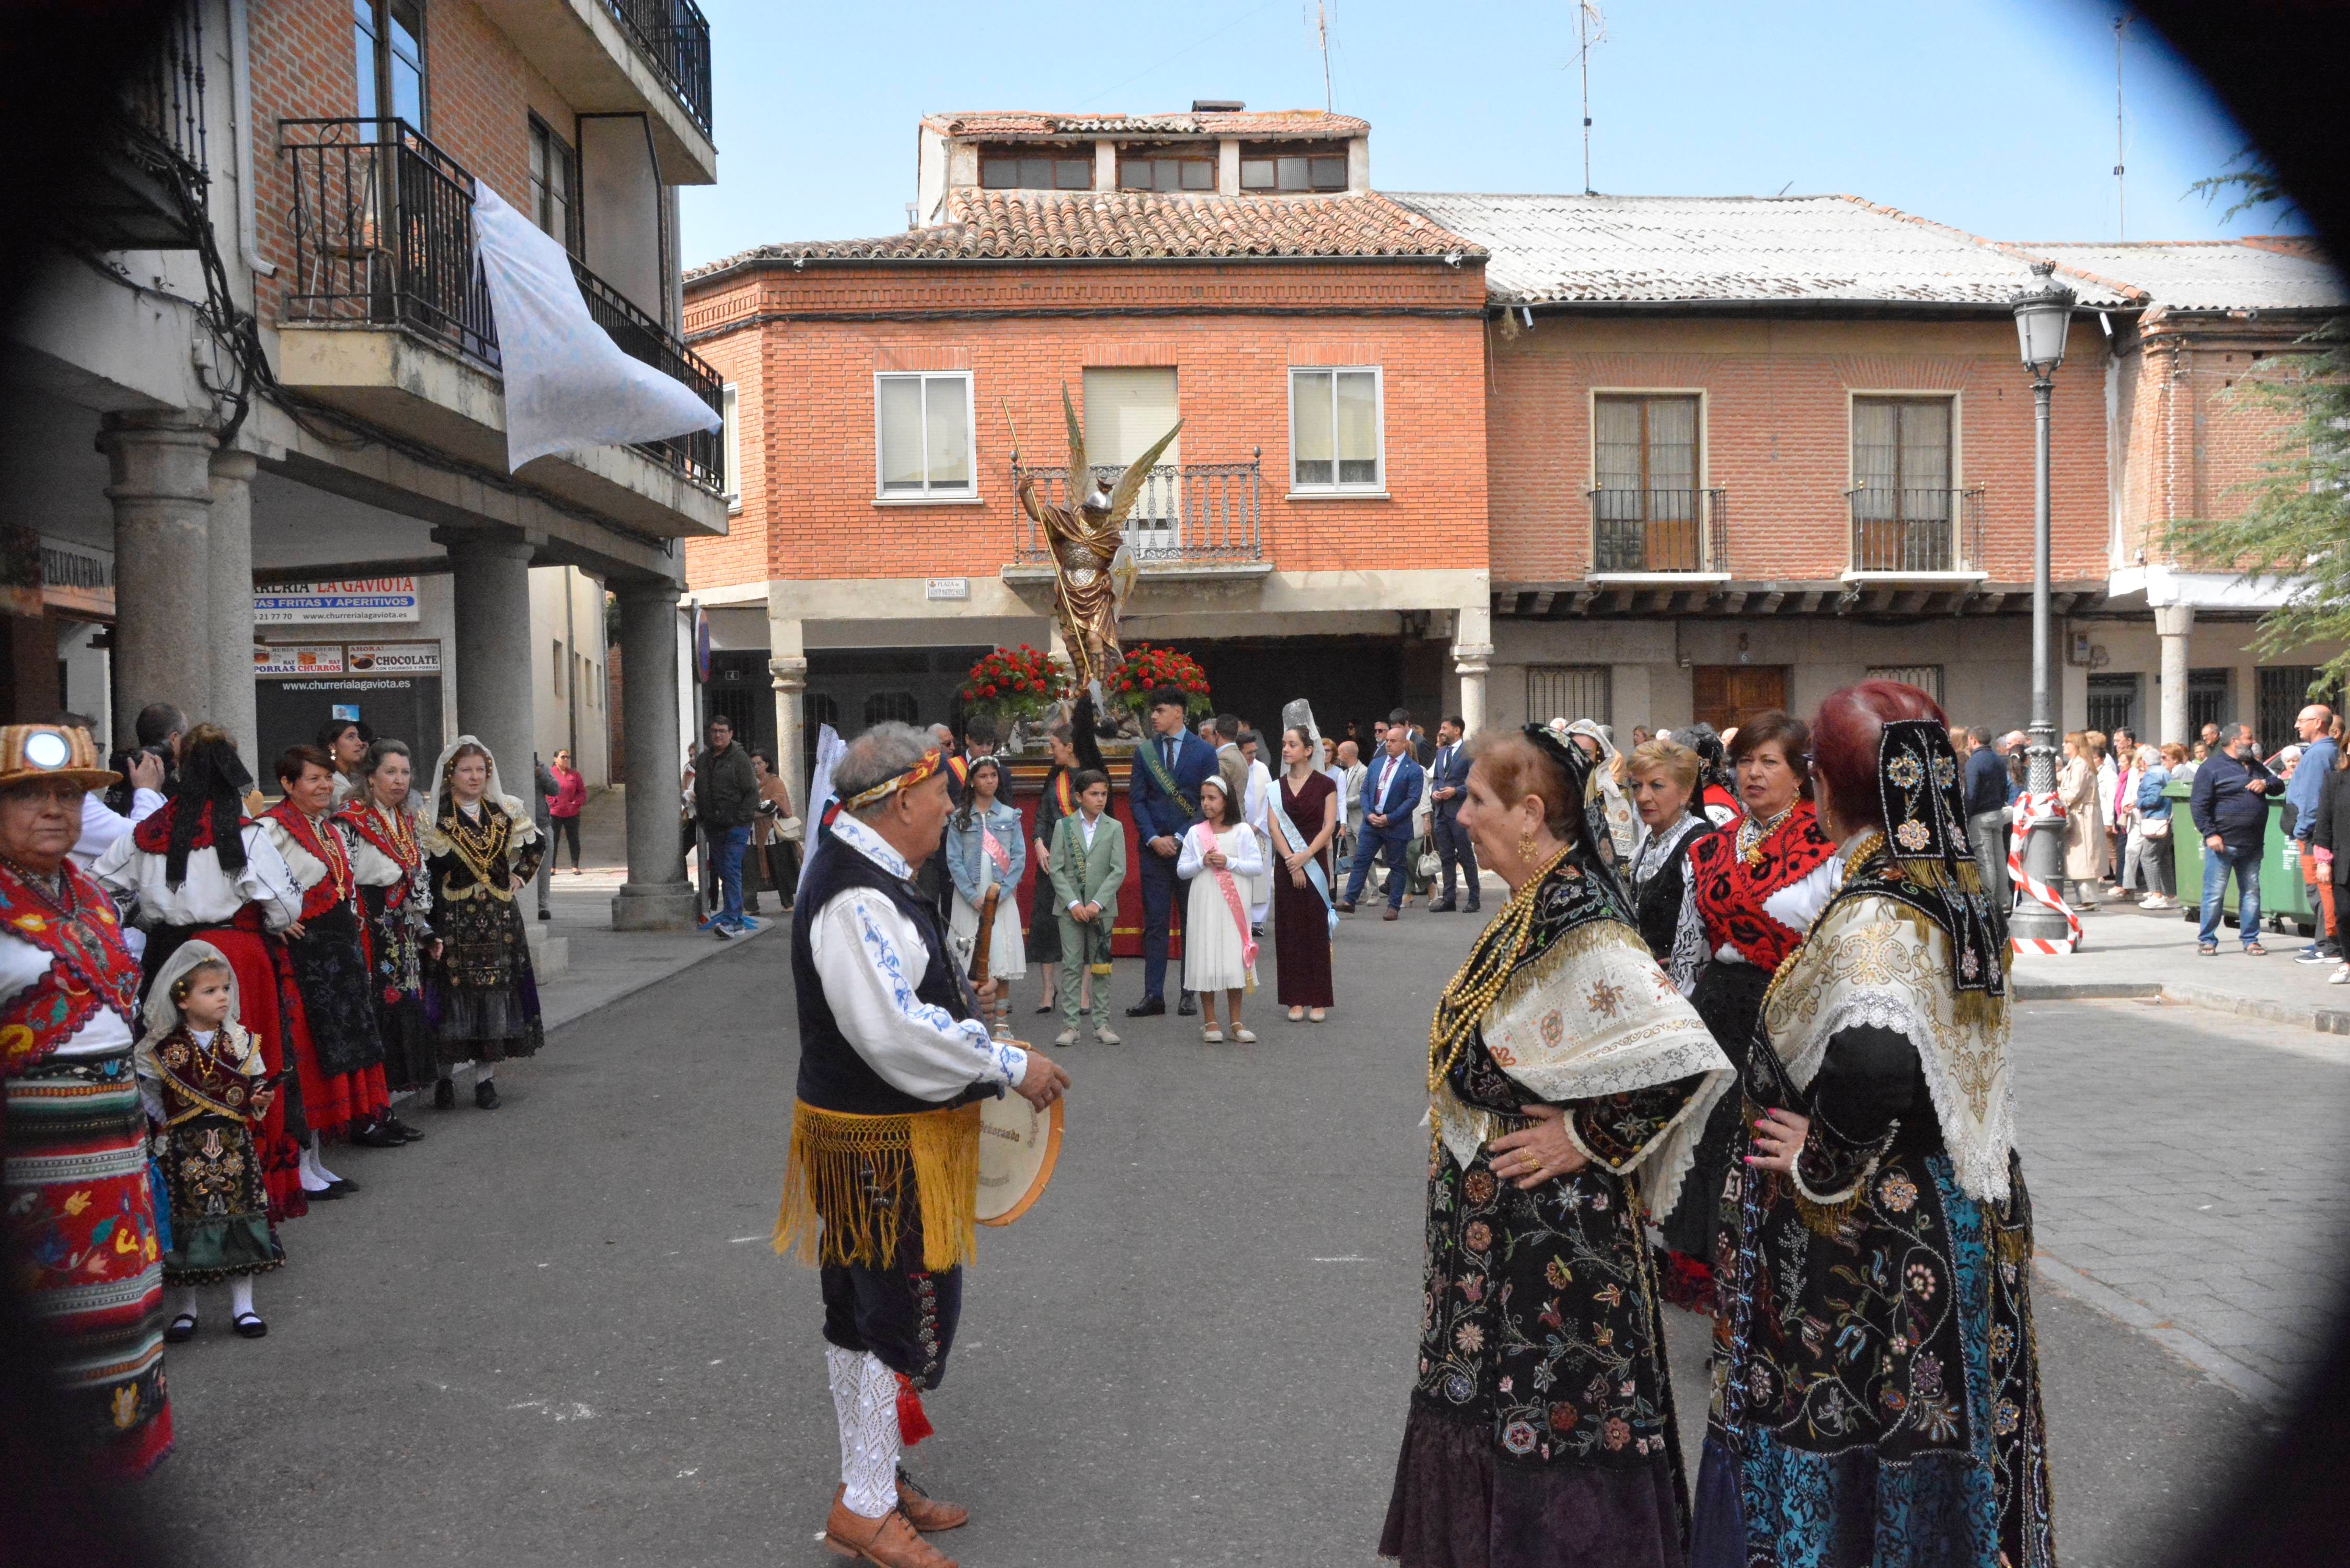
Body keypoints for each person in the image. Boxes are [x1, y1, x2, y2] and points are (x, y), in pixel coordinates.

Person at [1694, 682, 2055, 1568]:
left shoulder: (1876, 911)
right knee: (1939, 1458)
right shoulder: (1954, 886)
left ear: (1824, 788)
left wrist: (1821, 1156)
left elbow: (1875, 1062)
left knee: (1858, 1444)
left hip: (1876, 1241)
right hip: (1956, 1209)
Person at [1379, 724, 1731, 1568]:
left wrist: (1587, 1136)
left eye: (1476, 800)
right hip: (1501, 1247)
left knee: (1553, 1424)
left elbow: (1686, 1055)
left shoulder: (1581, 918)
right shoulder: (1534, 904)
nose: (1458, 814)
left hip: (1555, 1259)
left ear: (1531, 814)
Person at [775, 721, 1068, 1565]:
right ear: (903, 799)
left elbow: (898, 996)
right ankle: (865, 1505)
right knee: (898, 1318)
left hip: (863, 1137)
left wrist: (959, 999)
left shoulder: (869, 872)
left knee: (860, 1318)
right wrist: (1008, 1060)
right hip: (882, 1146)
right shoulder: (856, 892)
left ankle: (872, 1477)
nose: (950, 808)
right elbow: (892, 1031)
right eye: (942, 795)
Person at [0, 725, 172, 1478]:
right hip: (30, 1170)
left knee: (121, 1304)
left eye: (67, 794)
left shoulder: (92, 894)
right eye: (28, 794)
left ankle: (122, 1449)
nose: (53, 810)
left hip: (115, 1156)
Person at [95, 727, 313, 1214]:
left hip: (171, 959)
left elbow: (98, 886)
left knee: (172, 1064)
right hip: (235, 959)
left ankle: (178, 1191)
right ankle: (249, 1191)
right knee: (243, 1063)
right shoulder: (246, 833)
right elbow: (285, 908)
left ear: (179, 767)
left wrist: (141, 916)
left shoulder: (146, 833)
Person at [1658, 710, 1838, 1301]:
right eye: (1745, 762)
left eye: (1769, 763)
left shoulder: (1826, 845)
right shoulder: (1712, 846)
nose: (1752, 774)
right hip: (1719, 1006)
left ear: (1800, 775)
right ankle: (1707, 1265)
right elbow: (1690, 944)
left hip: (1787, 1012)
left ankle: (1767, 1280)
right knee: (1708, 1133)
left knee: (1759, 1142)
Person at [140, 944, 281, 1343]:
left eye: (225, 989)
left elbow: (256, 1086)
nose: (223, 997)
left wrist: (259, 1100)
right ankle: (186, 1309)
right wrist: (164, 1133)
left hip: (234, 1144)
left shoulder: (241, 1043)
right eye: (210, 991)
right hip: (184, 1151)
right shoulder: (162, 1051)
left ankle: (244, 1306)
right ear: (182, 1000)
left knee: (242, 1220)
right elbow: (150, 1099)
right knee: (187, 1227)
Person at [261, 745, 396, 1157]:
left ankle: (316, 1159)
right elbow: (252, 882)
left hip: (338, 957)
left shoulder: (328, 828)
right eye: (313, 779)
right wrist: (276, 919)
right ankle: (301, 1164)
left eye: (327, 778)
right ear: (288, 784)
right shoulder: (271, 830)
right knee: (307, 1058)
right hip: (304, 959)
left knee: (336, 1054)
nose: (324, 786)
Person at [422, 737, 546, 1108]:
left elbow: (535, 845)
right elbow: (424, 874)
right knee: (451, 994)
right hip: (452, 919)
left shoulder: (505, 811)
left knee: (494, 994)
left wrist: (519, 878)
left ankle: (485, 1081)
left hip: (498, 918)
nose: (474, 777)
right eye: (466, 770)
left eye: (480, 770)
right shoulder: (434, 819)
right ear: (451, 775)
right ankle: (444, 1079)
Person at [338, 739, 439, 1114]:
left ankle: (387, 1101)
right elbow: (344, 879)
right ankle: (372, 1107)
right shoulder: (351, 819)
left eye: (405, 773)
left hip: (401, 927)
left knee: (403, 1006)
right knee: (377, 1007)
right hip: (369, 921)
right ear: (370, 776)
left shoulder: (405, 818)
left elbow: (416, 874)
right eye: (390, 772)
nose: (399, 781)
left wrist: (423, 926)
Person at [1127, 687, 1216, 1018]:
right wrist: (1153, 838)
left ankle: (1188, 993)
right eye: (1153, 711)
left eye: (1160, 710)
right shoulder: (1144, 752)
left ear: (1178, 712)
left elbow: (1208, 801)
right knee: (1155, 923)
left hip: (1190, 849)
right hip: (1153, 851)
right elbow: (1137, 800)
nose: (1154, 717)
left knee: (1192, 921)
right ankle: (1153, 995)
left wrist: (1179, 836)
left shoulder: (1204, 752)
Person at [943, 755, 1027, 1041]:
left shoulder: (1009, 816)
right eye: (983, 776)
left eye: (994, 775)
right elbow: (953, 860)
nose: (990, 781)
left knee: (1001, 959)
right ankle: (970, 1020)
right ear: (972, 781)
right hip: (969, 898)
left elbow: (1019, 857)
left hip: (999, 897)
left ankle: (1001, 1024)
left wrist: (1000, 894)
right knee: (969, 961)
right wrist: (972, 896)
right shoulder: (959, 818)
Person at [1178, 770, 1264, 1043]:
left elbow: (1257, 867)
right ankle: (1210, 1020)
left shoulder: (1242, 832)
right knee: (1207, 956)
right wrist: (1201, 862)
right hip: (1205, 899)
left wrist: (1229, 862)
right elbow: (1182, 870)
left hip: (1234, 902)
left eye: (1212, 798)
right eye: (1203, 798)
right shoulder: (1195, 833)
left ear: (1226, 801)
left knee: (1232, 958)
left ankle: (1236, 1021)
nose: (1206, 803)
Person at [1627, 736, 1714, 997]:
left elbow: (1695, 948)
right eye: (1636, 786)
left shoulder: (1700, 847)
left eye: (1657, 786)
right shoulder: (1648, 844)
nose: (1643, 797)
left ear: (1686, 791)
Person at [1269, 720, 1339, 1023]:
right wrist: (1290, 860)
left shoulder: (1326, 785)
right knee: (1289, 931)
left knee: (1314, 930)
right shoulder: (1276, 788)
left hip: (1314, 865)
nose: (1286, 749)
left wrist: (1305, 857)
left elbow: (1329, 826)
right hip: (1286, 866)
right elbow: (1273, 827)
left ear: (1308, 751)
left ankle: (1318, 998)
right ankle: (1294, 998)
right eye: (1284, 744)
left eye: (1292, 745)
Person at [1050, 768, 1124, 1046]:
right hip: (1069, 909)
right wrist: (1073, 903)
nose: (1101, 799)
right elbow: (1056, 870)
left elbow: (1118, 871)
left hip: (1102, 910)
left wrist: (1095, 903)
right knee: (1071, 965)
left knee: (1102, 966)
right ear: (1079, 797)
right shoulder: (1064, 827)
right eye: (1094, 794)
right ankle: (1071, 1025)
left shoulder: (1114, 827)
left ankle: (1102, 1023)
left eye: (1104, 794)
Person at [2190, 721, 2276, 957]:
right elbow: (2199, 805)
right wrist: (2210, 834)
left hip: (2252, 843)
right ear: (2235, 741)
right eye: (2249, 738)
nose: (2253, 741)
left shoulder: (2255, 766)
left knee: (2251, 892)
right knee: (2215, 893)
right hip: (2223, 843)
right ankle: (2208, 940)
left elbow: (2278, 785)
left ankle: (2251, 940)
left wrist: (2265, 783)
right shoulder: (2212, 768)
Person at [1341, 720, 1423, 921]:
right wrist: (1369, 813)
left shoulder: (1413, 770)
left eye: (1393, 741)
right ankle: (1349, 901)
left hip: (1396, 825)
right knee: (1361, 860)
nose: (1388, 744)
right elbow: (1365, 791)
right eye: (1387, 741)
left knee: (1397, 866)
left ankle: (1394, 906)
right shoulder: (1377, 763)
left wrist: (1390, 818)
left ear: (1404, 744)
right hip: (1372, 823)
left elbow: (1412, 800)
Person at [693, 716, 761, 939]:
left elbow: (752, 791)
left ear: (731, 734)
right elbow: (701, 789)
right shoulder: (704, 760)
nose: (718, 735)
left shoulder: (739, 759)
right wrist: (704, 817)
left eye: (722, 731)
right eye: (714, 731)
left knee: (731, 869)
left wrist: (742, 818)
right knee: (723, 870)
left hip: (736, 825)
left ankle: (732, 920)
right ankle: (737, 920)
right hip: (713, 825)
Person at [1028, 723, 1079, 1018]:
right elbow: (1042, 817)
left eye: (1054, 746)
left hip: (1082, 862)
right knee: (1047, 923)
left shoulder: (1087, 777)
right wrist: (1038, 843)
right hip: (1052, 861)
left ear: (1069, 747)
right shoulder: (1055, 778)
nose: (1051, 752)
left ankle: (1083, 992)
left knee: (1084, 924)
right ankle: (1049, 988)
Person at [1211, 715, 1275, 931]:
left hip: (1257, 827)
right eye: (1249, 753)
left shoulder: (1262, 770)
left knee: (1260, 874)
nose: (1252, 757)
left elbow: (1268, 800)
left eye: (1255, 753)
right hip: (1243, 826)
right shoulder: (1236, 762)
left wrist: (1257, 825)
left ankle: (1258, 919)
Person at [2286, 704, 2339, 964]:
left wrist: (2302, 829)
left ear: (2318, 723)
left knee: (2319, 891)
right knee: (2320, 890)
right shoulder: (2325, 751)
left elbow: (2312, 799)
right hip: (2316, 832)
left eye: (2301, 720)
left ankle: (2329, 945)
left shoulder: (2319, 755)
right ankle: (2324, 940)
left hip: (2313, 835)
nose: (2297, 725)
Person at [1425, 716, 1480, 913]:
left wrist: (1456, 791)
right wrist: (1436, 791)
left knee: (1465, 856)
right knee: (1447, 857)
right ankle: (1449, 899)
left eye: (1444, 728)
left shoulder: (1469, 753)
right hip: (1441, 812)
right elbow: (1438, 778)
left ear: (1457, 731)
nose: (1441, 732)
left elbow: (1475, 783)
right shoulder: (1441, 753)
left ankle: (1474, 898)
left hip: (1460, 812)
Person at [2311, 740, 2350, 985]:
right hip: (2344, 860)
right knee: (2345, 913)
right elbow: (2323, 822)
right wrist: (2323, 861)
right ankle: (2348, 963)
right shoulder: (2335, 780)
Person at [1963, 724, 2012, 914]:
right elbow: (2005, 788)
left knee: (1985, 860)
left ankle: (1987, 902)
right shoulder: (1999, 760)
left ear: (1973, 740)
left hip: (1981, 817)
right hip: (1997, 813)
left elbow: (1971, 793)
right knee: (2000, 860)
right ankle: (2001, 901)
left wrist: (1966, 817)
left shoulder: (1974, 762)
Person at [2057, 732, 2106, 911]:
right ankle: (2084, 898)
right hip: (2079, 815)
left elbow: (2074, 792)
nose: (2064, 746)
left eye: (2067, 743)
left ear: (2076, 745)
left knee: (2085, 859)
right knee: (2079, 860)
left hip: (2084, 815)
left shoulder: (2081, 765)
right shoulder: (2074, 763)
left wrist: (2057, 798)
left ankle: (2090, 900)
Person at [747, 748, 798, 918]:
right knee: (750, 872)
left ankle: (787, 903)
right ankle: (751, 906)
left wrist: (752, 808)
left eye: (759, 763)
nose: (756, 767)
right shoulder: (748, 782)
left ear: (767, 764)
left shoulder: (776, 782)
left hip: (773, 835)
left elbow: (773, 805)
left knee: (781, 870)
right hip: (752, 835)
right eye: (753, 764)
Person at [2132, 743, 2180, 910]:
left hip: (2156, 820)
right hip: (2167, 820)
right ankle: (2171, 895)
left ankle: (2156, 894)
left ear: (2145, 762)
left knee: (2148, 856)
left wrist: (2139, 802)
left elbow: (2153, 799)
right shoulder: (2165, 773)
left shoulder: (2152, 775)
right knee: (2164, 858)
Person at [317, 716, 373, 807]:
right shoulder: (329, 778)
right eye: (351, 737)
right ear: (332, 746)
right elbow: (353, 808)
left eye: (358, 737)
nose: (360, 743)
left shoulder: (354, 776)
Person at [546, 747, 586, 874]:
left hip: (572, 813)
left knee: (573, 838)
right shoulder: (550, 773)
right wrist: (553, 802)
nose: (565, 760)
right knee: (553, 839)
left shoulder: (574, 774)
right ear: (555, 759)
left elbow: (582, 792)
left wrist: (576, 803)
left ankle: (575, 866)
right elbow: (546, 790)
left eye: (567, 757)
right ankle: (552, 866)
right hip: (555, 813)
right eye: (563, 757)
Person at [1337, 737, 1367, 866]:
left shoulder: (1363, 771)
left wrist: (1342, 802)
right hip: (1347, 823)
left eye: (1339, 754)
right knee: (1353, 857)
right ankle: (1359, 885)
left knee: (1365, 856)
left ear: (1346, 754)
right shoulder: (1344, 773)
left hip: (1359, 821)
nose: (1338, 757)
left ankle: (1372, 886)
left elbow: (1363, 797)